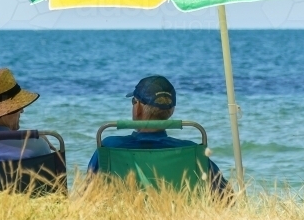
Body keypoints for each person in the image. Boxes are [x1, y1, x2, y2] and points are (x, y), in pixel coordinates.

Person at [87, 75, 228, 192]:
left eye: (133, 101)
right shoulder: (191, 151)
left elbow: (88, 194)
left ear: (138, 109)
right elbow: (227, 196)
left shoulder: (110, 146)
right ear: (171, 110)